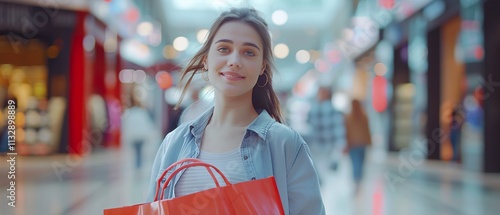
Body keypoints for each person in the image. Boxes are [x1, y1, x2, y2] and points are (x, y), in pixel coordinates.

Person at [146, 7, 325, 214]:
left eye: (249, 52)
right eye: (223, 49)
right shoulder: (174, 144)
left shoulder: (285, 145)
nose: (234, 61)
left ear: (262, 67)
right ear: (206, 60)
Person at [307, 86, 346, 171]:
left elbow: (338, 130)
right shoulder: (315, 110)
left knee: (322, 173)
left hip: (322, 148)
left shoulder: (314, 110)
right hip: (322, 147)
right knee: (325, 173)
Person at [343, 99, 371, 195]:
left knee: (356, 163)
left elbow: (346, 132)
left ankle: (357, 182)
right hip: (361, 144)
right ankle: (358, 181)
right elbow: (367, 130)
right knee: (360, 163)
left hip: (353, 144)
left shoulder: (348, 117)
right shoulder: (364, 116)